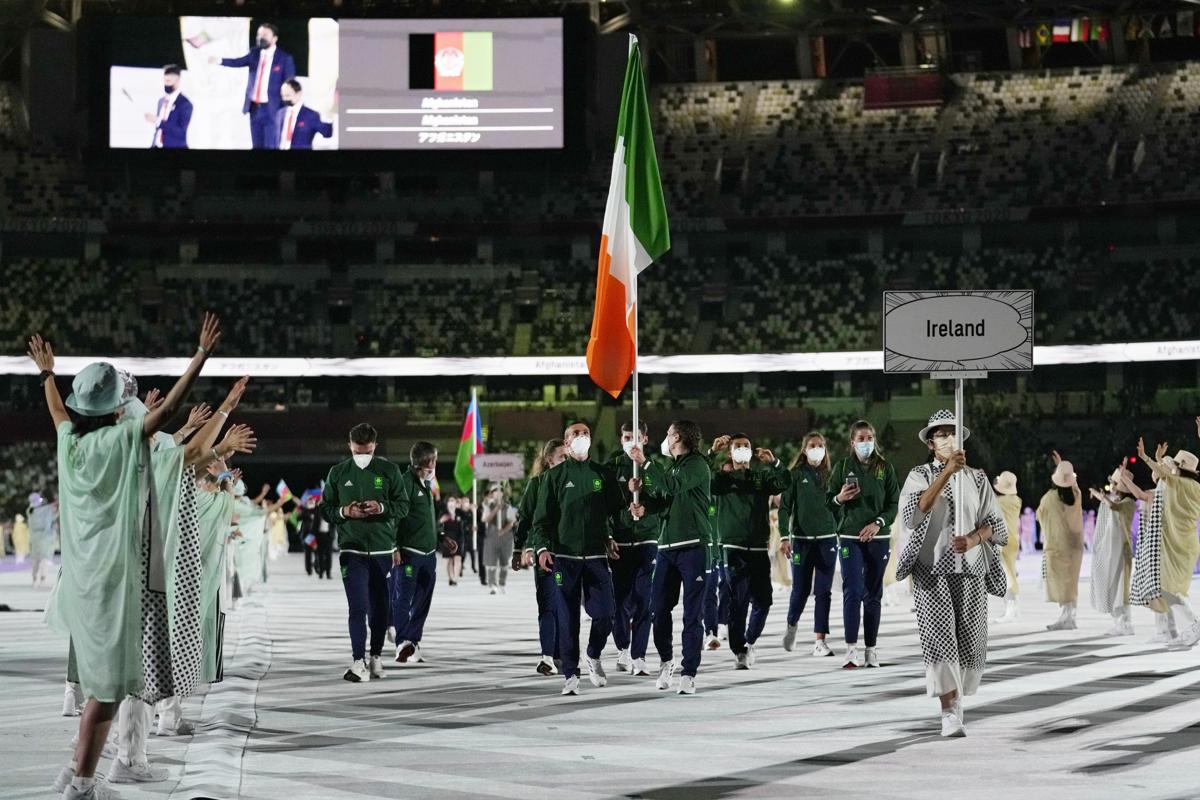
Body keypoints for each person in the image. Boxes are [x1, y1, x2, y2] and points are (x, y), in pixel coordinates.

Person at [30, 313, 218, 800]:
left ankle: (75, 770)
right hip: (117, 583)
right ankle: (85, 785)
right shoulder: (121, 439)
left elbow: (56, 412)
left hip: (83, 585)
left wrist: (48, 375)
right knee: (109, 691)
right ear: (119, 408)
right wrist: (199, 356)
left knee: (96, 686)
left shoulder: (69, 442)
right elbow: (170, 410)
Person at [897, 410, 1008, 738]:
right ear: (931, 443)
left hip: (971, 569)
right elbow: (913, 515)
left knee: (969, 642)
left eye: (952, 433)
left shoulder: (977, 477)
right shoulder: (918, 475)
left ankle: (958, 700)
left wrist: (974, 538)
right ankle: (949, 710)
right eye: (941, 434)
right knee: (940, 640)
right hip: (931, 570)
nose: (948, 439)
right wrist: (945, 473)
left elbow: (997, 525)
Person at [530, 422, 624, 696]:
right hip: (565, 557)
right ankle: (571, 673)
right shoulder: (554, 477)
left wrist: (610, 536)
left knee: (606, 612)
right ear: (566, 442)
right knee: (567, 617)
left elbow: (615, 512)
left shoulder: (602, 475)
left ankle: (593, 654)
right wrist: (542, 549)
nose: (581, 437)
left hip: (596, 555)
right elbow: (541, 521)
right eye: (575, 434)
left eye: (585, 434)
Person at [629, 420, 713, 696]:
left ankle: (689, 673)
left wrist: (646, 464)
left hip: (693, 547)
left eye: (667, 434)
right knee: (658, 609)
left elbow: (674, 486)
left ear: (677, 437)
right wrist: (644, 508)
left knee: (692, 614)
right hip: (666, 548)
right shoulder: (671, 467)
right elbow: (665, 499)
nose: (665, 439)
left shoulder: (697, 465)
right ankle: (667, 660)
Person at [319, 423, 404, 683]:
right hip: (351, 550)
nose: (362, 456)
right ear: (350, 446)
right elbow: (325, 509)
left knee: (379, 608)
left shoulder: (389, 471)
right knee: (357, 606)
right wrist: (346, 512)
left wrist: (380, 507)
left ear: (375, 447)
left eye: (366, 451)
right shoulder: (338, 472)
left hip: (382, 550)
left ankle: (376, 656)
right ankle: (358, 662)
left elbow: (403, 507)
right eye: (357, 451)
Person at [709, 433, 789, 669]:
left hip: (757, 547)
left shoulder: (760, 477)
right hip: (733, 547)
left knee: (764, 600)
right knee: (738, 599)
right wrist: (712, 452)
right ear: (730, 451)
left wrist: (774, 463)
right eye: (737, 446)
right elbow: (702, 478)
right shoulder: (722, 479)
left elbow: (784, 483)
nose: (742, 449)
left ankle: (750, 640)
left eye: (746, 446)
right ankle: (739, 649)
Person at [828, 420, 900, 669]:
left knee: (873, 594)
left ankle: (871, 649)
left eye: (869, 438)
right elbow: (829, 501)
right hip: (849, 537)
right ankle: (851, 651)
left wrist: (878, 523)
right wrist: (839, 498)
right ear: (852, 442)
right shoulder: (843, 467)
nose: (866, 442)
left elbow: (894, 503)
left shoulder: (885, 468)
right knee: (852, 591)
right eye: (861, 438)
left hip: (878, 538)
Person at [1128, 429, 1200, 648]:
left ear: (1179, 469)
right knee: (1170, 588)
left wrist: (1148, 458)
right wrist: (1158, 460)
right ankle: (1185, 629)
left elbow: (1164, 476)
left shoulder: (1179, 484)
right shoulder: (1194, 486)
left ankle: (1193, 626)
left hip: (1175, 543)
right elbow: (1164, 475)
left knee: (1167, 587)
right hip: (1182, 543)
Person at [391, 441, 456, 665]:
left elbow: (427, 517)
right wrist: (394, 547)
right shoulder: (404, 483)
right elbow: (395, 518)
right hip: (409, 553)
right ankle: (402, 642)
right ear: (425, 461)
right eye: (434, 460)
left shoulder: (426, 484)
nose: (435, 464)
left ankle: (413, 642)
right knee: (403, 598)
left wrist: (441, 537)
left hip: (429, 554)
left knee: (423, 600)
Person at [606, 421, 662, 676]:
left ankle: (639, 656)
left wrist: (645, 507)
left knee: (644, 600)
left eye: (636, 437)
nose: (631, 441)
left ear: (646, 439)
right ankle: (623, 648)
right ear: (621, 439)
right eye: (627, 436)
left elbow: (663, 496)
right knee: (619, 601)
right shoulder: (611, 467)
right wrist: (627, 501)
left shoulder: (655, 467)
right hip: (620, 540)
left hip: (647, 540)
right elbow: (605, 506)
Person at [780, 432, 840, 657]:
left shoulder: (832, 476)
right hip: (802, 542)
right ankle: (791, 625)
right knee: (801, 590)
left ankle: (820, 641)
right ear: (804, 450)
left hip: (827, 540)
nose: (817, 449)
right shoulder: (794, 475)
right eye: (812, 445)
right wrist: (785, 537)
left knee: (824, 592)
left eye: (821, 445)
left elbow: (839, 507)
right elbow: (785, 508)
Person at [514, 438, 568, 675]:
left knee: (564, 607)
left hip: (570, 554)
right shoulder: (536, 485)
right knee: (547, 605)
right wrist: (520, 548)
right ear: (549, 460)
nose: (566, 462)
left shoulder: (575, 482)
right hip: (544, 553)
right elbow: (524, 518)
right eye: (562, 457)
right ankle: (547, 656)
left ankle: (560, 654)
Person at [211, 22, 295, 149]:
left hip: (273, 108)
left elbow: (290, 83)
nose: (260, 37)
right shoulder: (254, 53)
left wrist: (284, 105)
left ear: (275, 38)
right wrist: (220, 60)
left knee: (271, 145)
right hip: (255, 107)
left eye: (265, 34)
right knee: (256, 144)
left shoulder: (284, 58)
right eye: (259, 34)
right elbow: (238, 62)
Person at [1037, 451, 1083, 631]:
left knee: (1061, 582)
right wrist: (1062, 465)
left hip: (1058, 546)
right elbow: (1073, 484)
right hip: (1076, 546)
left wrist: (1060, 466)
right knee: (1071, 582)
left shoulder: (1050, 498)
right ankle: (1070, 617)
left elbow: (1040, 514)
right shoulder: (1076, 495)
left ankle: (1066, 617)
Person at [1089, 464, 1137, 636]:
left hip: (1122, 550)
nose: (1113, 488)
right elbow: (1111, 504)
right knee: (1113, 584)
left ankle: (1125, 623)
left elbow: (1114, 507)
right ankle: (1120, 622)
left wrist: (1102, 497)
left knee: (1121, 587)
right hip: (1115, 550)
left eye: (1116, 484)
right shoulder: (1119, 501)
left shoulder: (1129, 502)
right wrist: (1099, 496)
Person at [991, 471, 1022, 623]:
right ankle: (1014, 608)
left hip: (1003, 541)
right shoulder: (1016, 500)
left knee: (1006, 575)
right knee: (1008, 572)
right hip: (1013, 540)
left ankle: (1011, 608)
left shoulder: (1000, 502)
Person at [275, 79, 333, 150]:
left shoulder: (311, 115)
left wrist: (328, 115)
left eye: (288, 95)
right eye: (282, 96)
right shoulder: (280, 113)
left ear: (299, 93)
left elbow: (327, 133)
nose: (284, 99)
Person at [146, 64, 192, 149]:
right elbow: (158, 130)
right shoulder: (161, 101)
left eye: (169, 81)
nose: (166, 84)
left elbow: (181, 132)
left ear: (177, 81)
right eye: (165, 80)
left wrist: (158, 121)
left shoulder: (185, 104)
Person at [482, 483, 517, 594]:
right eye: (495, 491)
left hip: (506, 539)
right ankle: (492, 585)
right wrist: (496, 509)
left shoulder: (507, 506)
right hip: (492, 538)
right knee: (491, 563)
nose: (498, 493)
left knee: (504, 563)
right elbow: (486, 519)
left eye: (500, 491)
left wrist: (504, 530)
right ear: (492, 494)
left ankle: (502, 583)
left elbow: (512, 521)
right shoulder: (488, 506)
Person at [26, 491, 58, 588]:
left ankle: (34, 578)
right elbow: (51, 515)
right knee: (44, 559)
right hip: (44, 538)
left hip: (34, 538)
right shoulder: (44, 510)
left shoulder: (29, 511)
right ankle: (43, 578)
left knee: (36, 559)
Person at [439, 496, 470, 586]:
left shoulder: (459, 512)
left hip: (458, 538)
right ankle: (451, 577)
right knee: (449, 560)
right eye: (450, 500)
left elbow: (466, 518)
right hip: (447, 539)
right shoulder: (444, 513)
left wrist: (466, 509)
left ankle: (455, 578)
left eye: (454, 501)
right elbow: (438, 524)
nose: (452, 502)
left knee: (458, 558)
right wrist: (441, 521)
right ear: (447, 502)